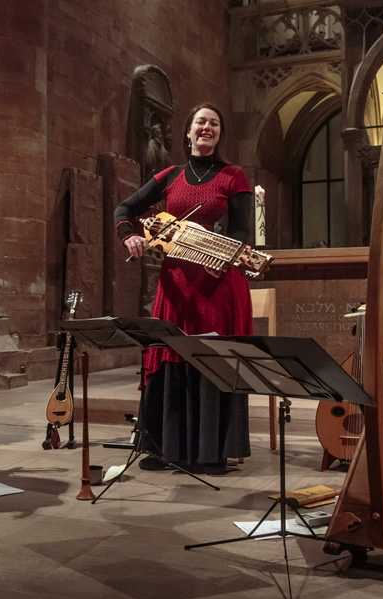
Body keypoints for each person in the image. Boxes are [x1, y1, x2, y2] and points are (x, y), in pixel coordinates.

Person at [114, 102, 253, 475]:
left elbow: (244, 232)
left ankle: (211, 451)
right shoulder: (171, 175)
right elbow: (124, 209)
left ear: (219, 133)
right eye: (200, 122)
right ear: (188, 132)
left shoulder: (233, 175)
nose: (207, 128)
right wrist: (130, 237)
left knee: (211, 357)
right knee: (172, 355)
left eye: (214, 123)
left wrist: (214, 246)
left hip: (218, 280)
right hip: (176, 282)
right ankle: (166, 447)